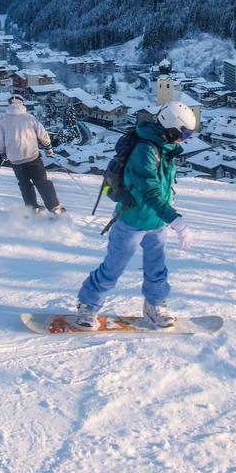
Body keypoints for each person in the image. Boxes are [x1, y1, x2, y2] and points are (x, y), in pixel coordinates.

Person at [75, 100, 196, 329]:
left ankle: (155, 305)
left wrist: (166, 216)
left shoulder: (165, 148)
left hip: (156, 222)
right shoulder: (145, 151)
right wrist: (176, 220)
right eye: (185, 134)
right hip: (131, 219)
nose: (185, 139)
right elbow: (149, 190)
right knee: (113, 267)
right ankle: (88, 305)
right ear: (171, 129)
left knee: (157, 269)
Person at [0, 95, 65, 214]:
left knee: (24, 184)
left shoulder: (3, 122)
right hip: (32, 156)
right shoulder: (29, 118)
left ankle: (32, 208)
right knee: (42, 182)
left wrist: (3, 153)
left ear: (9, 104)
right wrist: (48, 149)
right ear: (22, 104)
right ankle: (54, 208)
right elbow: (43, 134)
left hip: (15, 160)